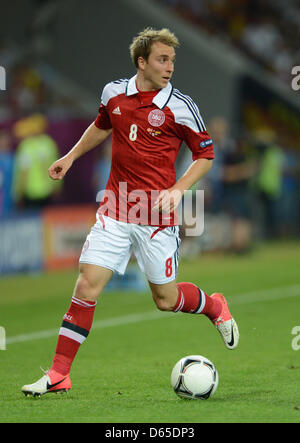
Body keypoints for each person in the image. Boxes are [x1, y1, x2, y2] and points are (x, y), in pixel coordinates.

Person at [22, 28, 239, 397]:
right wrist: (71, 157)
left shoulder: (180, 106)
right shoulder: (113, 93)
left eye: (172, 60)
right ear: (142, 62)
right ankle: (59, 374)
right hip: (116, 209)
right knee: (87, 284)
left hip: (156, 218)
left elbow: (205, 155)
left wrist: (178, 189)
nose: (169, 67)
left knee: (165, 300)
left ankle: (214, 304)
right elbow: (101, 126)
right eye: (162, 59)